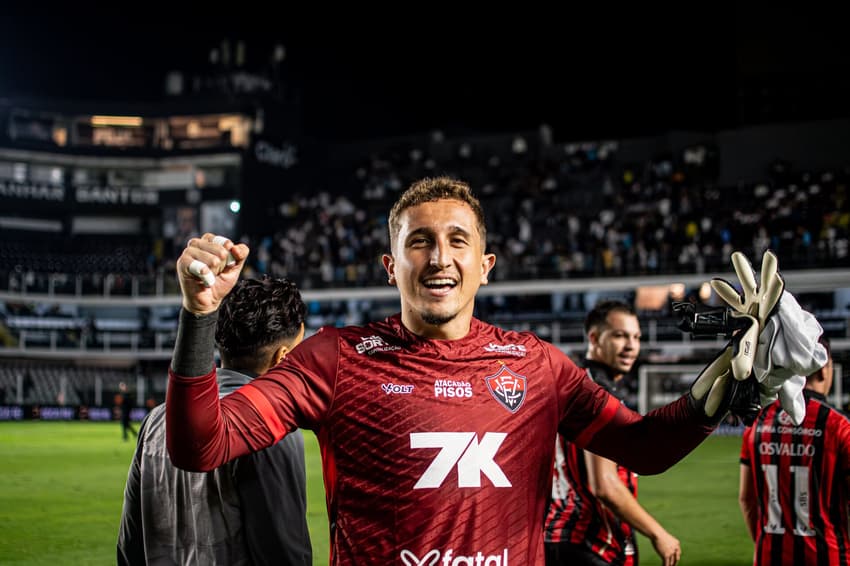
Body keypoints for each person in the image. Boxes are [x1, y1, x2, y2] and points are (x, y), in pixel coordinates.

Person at [166, 176, 819, 565]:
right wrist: (199, 315)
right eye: (417, 241)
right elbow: (199, 445)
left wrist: (728, 383)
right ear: (390, 266)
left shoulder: (539, 366)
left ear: (487, 264)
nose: (438, 257)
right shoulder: (335, 358)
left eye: (458, 240)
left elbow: (642, 449)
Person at [117, 276, 312, 565]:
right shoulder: (271, 428)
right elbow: (283, 556)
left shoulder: (157, 420)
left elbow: (129, 550)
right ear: (283, 357)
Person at [544, 300, 681, 566]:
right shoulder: (596, 393)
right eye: (619, 335)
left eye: (636, 337)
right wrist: (658, 533)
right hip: (589, 542)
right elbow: (604, 484)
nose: (631, 346)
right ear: (594, 338)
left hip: (557, 536)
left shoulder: (572, 384)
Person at [739, 336, 850, 565]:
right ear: (824, 369)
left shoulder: (758, 424)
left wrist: (763, 545)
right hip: (828, 556)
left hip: (770, 555)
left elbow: (746, 499)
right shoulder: (839, 427)